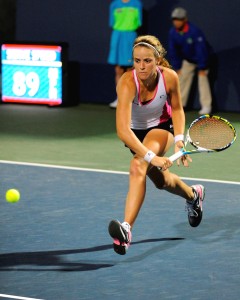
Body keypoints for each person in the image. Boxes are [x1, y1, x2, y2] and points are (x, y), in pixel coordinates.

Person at [108, 35, 205, 255]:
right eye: (137, 60)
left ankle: (126, 230)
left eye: (147, 61)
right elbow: (123, 130)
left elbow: (178, 109)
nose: (141, 66)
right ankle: (193, 195)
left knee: (137, 167)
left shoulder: (169, 77)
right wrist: (152, 157)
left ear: (158, 59)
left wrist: (179, 140)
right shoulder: (126, 82)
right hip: (135, 134)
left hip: (162, 127)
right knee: (161, 181)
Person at [168, 7, 212, 115]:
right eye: (174, 19)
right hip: (188, 60)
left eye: (179, 19)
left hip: (202, 59)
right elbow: (173, 51)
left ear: (185, 19)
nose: (176, 22)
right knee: (181, 77)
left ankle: (206, 106)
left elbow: (201, 50)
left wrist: (202, 67)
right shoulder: (173, 32)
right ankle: (180, 105)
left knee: (203, 79)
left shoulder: (194, 31)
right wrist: (177, 67)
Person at [108, 0, 142, 108]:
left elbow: (138, 22)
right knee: (118, 69)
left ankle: (131, 99)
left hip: (130, 37)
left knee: (130, 70)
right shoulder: (114, 4)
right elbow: (112, 22)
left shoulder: (137, 4)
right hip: (117, 37)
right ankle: (120, 98)